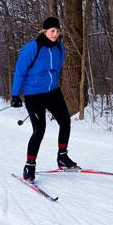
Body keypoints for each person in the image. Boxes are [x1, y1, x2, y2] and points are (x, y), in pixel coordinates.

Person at [10, 16, 77, 181]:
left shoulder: (60, 48)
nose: (55, 34)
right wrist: (15, 95)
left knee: (65, 121)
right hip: (34, 95)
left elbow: (56, 69)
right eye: (52, 31)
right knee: (39, 129)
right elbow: (20, 71)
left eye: (57, 31)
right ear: (44, 31)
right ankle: (29, 166)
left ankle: (62, 157)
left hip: (53, 92)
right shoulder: (32, 48)